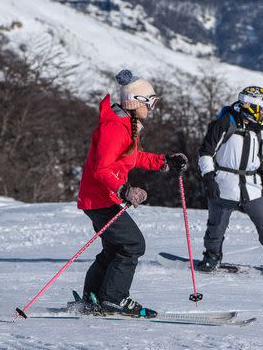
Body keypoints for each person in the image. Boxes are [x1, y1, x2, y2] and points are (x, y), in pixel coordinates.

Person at [76, 69, 188, 317]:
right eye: (151, 102)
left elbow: (132, 156)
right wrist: (124, 189)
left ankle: (94, 297)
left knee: (115, 248)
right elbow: (102, 169)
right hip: (101, 199)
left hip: (101, 198)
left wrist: (164, 161)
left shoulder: (126, 125)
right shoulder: (115, 127)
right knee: (133, 244)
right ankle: (114, 299)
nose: (152, 108)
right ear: (135, 102)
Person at [197, 85, 263, 276]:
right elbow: (205, 152)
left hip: (252, 186)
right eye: (262, 107)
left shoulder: (259, 129)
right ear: (252, 105)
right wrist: (209, 177)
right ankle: (212, 257)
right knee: (216, 226)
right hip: (225, 184)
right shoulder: (224, 123)